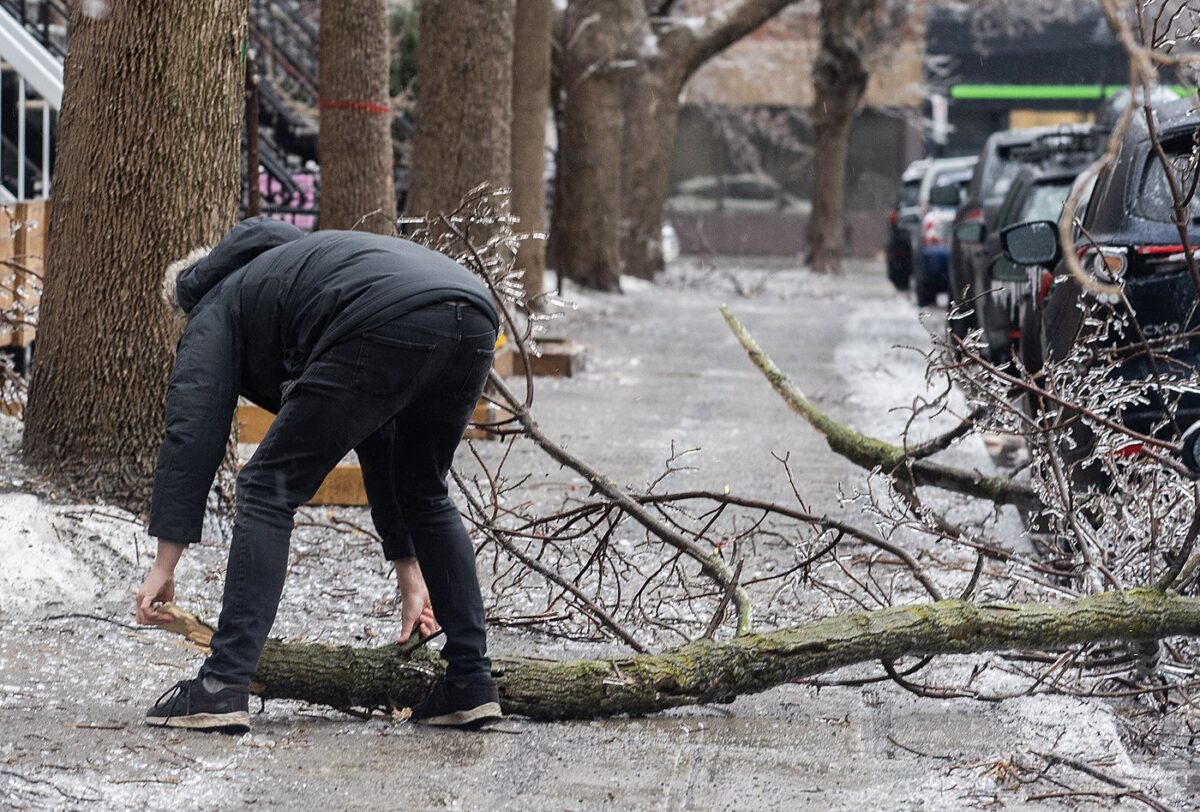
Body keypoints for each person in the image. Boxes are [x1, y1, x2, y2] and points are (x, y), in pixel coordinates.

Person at [134, 217, 502, 732]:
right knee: (425, 489)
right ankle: (470, 680)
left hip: (389, 317)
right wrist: (407, 570)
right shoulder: (319, 269)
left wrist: (163, 563)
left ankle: (222, 684)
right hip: (474, 313)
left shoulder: (218, 303)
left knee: (266, 486)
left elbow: (191, 431)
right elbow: (380, 435)